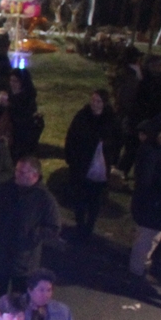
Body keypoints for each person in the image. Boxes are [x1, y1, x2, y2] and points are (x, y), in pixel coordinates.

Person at [0, 156, 61, 294]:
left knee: (20, 299)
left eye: (22, 172)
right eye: (17, 170)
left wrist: (32, 235)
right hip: (0, 256)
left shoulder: (44, 198)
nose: (17, 175)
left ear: (35, 175)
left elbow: (53, 227)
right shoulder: (5, 189)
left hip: (24, 261)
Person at [129, 115, 161, 289]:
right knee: (145, 239)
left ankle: (142, 267)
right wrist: (159, 197)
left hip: (160, 205)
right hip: (151, 205)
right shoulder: (151, 151)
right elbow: (145, 180)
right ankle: (136, 272)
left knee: (152, 239)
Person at [64, 90, 122, 241]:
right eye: (93, 100)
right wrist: (71, 157)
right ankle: (80, 225)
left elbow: (118, 141)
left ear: (104, 103)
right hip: (81, 164)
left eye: (98, 101)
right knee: (80, 197)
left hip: (100, 167)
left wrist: (111, 157)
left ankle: (89, 227)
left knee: (94, 200)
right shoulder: (82, 116)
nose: (95, 104)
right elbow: (72, 137)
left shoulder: (111, 120)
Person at [6, 71, 44, 160]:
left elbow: (24, 119)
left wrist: (10, 106)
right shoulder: (9, 96)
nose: (12, 84)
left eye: (15, 81)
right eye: (11, 80)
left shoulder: (27, 100)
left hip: (22, 140)